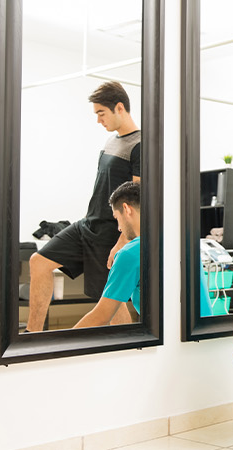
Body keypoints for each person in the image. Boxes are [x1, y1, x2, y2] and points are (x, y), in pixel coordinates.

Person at [26, 81, 143, 332]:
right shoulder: (111, 142)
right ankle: (32, 334)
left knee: (113, 299)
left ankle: (127, 346)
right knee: (39, 262)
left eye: (101, 112)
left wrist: (122, 242)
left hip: (112, 232)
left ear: (119, 107)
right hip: (88, 224)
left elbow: (138, 199)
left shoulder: (140, 145)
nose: (98, 119)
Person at [73, 181, 143, 328]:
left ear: (126, 209)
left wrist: (59, 345)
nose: (119, 228)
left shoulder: (130, 253)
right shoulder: (175, 242)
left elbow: (101, 317)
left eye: (117, 218)